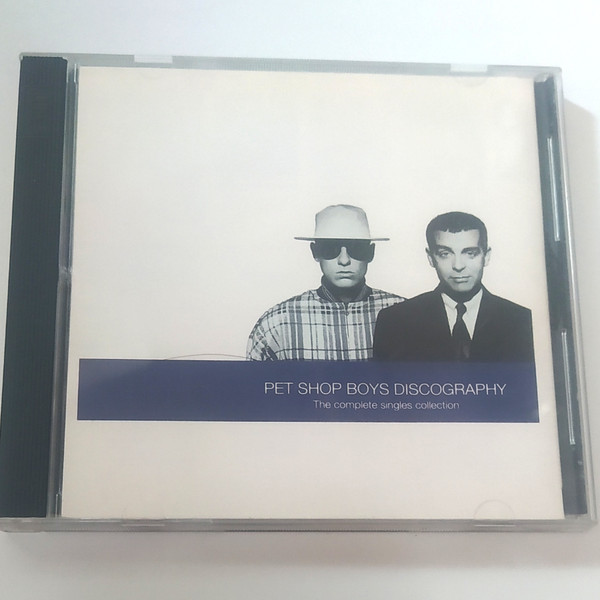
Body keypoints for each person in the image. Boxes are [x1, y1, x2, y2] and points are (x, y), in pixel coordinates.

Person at [247, 204, 403, 360]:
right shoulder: (277, 323)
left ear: (371, 252)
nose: (344, 260)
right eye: (330, 248)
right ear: (315, 252)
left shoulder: (403, 314)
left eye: (356, 248)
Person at [373, 211, 534, 362]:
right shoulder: (397, 322)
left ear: (486, 256)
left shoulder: (520, 320)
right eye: (445, 254)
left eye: (470, 253)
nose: (458, 266)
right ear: (431, 258)